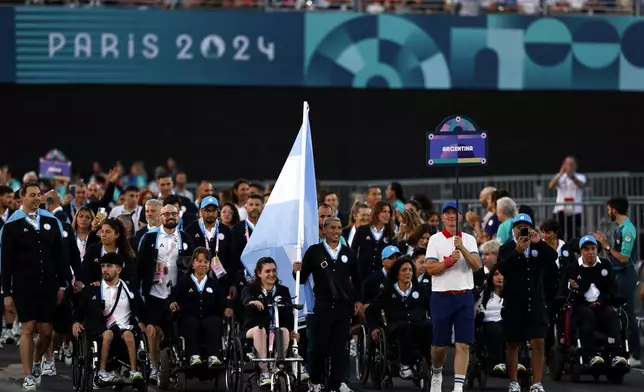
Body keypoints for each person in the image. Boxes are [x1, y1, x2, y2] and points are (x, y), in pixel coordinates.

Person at [0, 182, 70, 391]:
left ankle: (38, 359)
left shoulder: (51, 221)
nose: (36, 198)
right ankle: (28, 375)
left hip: (48, 284)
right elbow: (6, 261)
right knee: (28, 328)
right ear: (21, 199)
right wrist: (7, 292)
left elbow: (60, 256)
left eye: (38, 195)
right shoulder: (11, 226)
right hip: (23, 285)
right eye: (32, 195)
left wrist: (62, 285)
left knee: (46, 331)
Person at [293, 217, 362, 392]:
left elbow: (359, 280)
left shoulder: (348, 253)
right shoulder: (314, 251)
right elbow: (301, 279)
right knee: (320, 347)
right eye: (332, 228)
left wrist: (359, 300)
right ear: (324, 230)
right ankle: (315, 381)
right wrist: (296, 271)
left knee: (339, 348)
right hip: (322, 306)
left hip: (343, 307)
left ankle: (336, 384)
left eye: (339, 228)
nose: (337, 231)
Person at [498, 213, 557, 392]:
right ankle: (514, 381)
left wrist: (539, 242)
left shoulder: (539, 247)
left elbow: (553, 258)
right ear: (513, 230)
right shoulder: (507, 248)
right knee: (513, 342)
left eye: (526, 226)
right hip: (515, 301)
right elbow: (502, 268)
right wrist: (517, 252)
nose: (522, 230)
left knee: (539, 340)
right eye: (518, 227)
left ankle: (537, 383)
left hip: (536, 300)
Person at [425, 201, 481, 392]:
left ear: (460, 217)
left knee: (463, 344)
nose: (450, 217)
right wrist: (448, 261)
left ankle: (458, 387)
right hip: (441, 296)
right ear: (442, 217)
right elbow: (430, 268)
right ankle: (437, 372)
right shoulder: (435, 240)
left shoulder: (469, 239)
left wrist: (463, 249)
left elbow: (477, 265)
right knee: (439, 346)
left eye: (454, 213)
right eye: (447, 213)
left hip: (464, 295)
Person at [137, 203, 194, 382]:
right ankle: (154, 367)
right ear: (160, 217)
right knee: (153, 331)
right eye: (166, 214)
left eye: (174, 214)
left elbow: (192, 266)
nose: (170, 217)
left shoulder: (185, 238)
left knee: (173, 332)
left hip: (177, 294)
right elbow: (139, 266)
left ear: (178, 216)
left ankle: (168, 366)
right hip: (155, 292)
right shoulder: (149, 238)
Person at [72, 253, 145, 384]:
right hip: (100, 331)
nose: (105, 269)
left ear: (119, 269)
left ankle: (134, 371)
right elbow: (79, 312)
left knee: (128, 334)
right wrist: (76, 323)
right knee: (108, 334)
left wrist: (146, 323)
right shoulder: (92, 290)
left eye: (109, 266)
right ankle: (101, 372)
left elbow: (142, 311)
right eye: (103, 266)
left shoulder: (129, 290)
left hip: (124, 330)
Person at [563, 235, 627, 368]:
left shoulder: (605, 265)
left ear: (597, 250)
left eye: (593, 249)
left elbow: (610, 288)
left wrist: (601, 301)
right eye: (586, 249)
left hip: (602, 304)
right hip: (581, 305)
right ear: (581, 251)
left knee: (611, 315)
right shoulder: (573, 267)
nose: (590, 252)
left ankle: (616, 353)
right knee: (587, 315)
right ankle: (592, 354)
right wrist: (574, 288)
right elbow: (566, 288)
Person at [590, 196, 640, 366]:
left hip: (626, 275)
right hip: (618, 274)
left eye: (609, 208)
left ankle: (636, 354)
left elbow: (624, 259)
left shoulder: (628, 229)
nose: (608, 212)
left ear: (614, 209)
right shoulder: (620, 228)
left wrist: (607, 246)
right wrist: (605, 245)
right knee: (618, 314)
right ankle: (621, 350)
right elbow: (617, 257)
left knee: (628, 314)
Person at [366, 256, 432, 379]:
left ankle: (428, 361)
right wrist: (373, 327)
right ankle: (405, 364)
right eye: (404, 270)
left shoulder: (420, 290)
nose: (408, 273)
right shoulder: (388, 291)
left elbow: (430, 308)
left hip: (418, 324)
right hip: (396, 327)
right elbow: (371, 310)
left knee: (429, 325)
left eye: (410, 270)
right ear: (397, 273)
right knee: (404, 326)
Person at [169, 247, 233, 368]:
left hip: (209, 315)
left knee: (214, 321)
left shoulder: (213, 284)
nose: (202, 264)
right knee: (190, 322)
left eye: (206, 262)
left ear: (209, 265)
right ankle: (194, 356)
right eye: (199, 261)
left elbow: (222, 300)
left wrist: (228, 307)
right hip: (189, 315)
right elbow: (172, 297)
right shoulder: (184, 282)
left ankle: (213, 356)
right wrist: (172, 302)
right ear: (193, 263)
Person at [240, 257, 297, 386]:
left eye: (274, 271)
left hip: (275, 330)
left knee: (284, 331)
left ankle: (278, 366)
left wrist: (292, 330)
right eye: (267, 271)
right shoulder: (250, 289)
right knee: (260, 330)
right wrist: (252, 302)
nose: (272, 274)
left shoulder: (283, 291)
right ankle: (264, 371)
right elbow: (245, 298)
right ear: (259, 273)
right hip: (253, 329)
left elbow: (289, 315)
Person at [475, 265, 506, 374]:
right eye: (496, 274)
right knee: (495, 329)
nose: (500, 277)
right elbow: (475, 307)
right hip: (489, 323)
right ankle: (497, 362)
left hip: (506, 321)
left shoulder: (511, 293)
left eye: (502, 274)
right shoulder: (485, 293)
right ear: (491, 277)